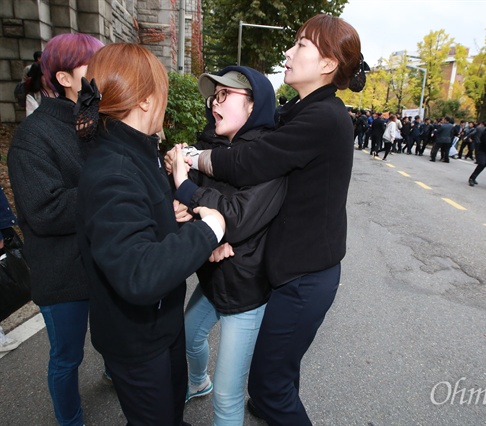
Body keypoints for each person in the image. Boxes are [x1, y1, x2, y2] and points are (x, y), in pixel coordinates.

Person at [177, 13, 364, 425]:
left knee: (269, 386)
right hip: (291, 268)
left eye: (301, 45)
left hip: (303, 276)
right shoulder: (299, 110)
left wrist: (190, 163)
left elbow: (250, 162)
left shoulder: (323, 117)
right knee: (275, 377)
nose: (289, 52)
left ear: (329, 65)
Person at [76, 43, 226, 426]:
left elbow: (133, 226)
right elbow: (138, 274)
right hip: (137, 340)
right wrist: (209, 231)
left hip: (159, 325)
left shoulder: (135, 152)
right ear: (144, 101)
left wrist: (166, 218)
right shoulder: (115, 168)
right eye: (162, 90)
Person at [169, 66, 287, 425]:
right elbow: (187, 207)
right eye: (213, 96)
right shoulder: (211, 147)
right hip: (212, 278)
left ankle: (210, 388)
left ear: (254, 106)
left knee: (228, 395)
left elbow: (236, 218)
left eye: (225, 95)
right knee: (188, 339)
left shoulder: (269, 155)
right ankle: (196, 381)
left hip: (245, 291)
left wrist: (184, 186)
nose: (213, 103)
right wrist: (201, 228)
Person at [8, 33, 104, 426]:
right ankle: (71, 421)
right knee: (67, 357)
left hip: (103, 262)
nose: (103, 74)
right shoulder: (31, 137)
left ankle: (118, 374)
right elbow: (45, 210)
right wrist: (109, 186)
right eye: (93, 66)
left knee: (114, 339)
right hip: (62, 273)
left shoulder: (97, 120)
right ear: (65, 78)